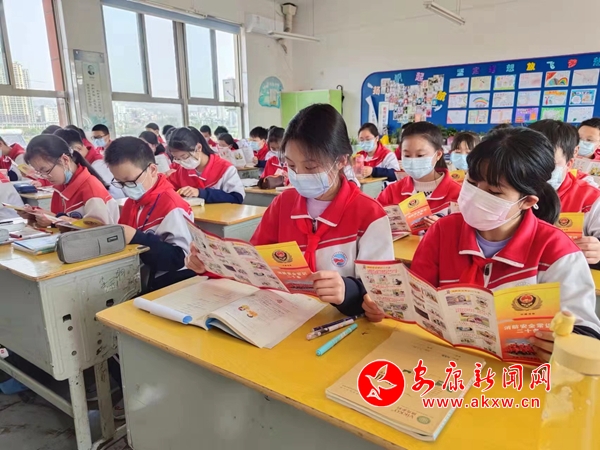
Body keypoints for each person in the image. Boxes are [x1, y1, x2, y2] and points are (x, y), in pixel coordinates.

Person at [364, 128, 600, 358]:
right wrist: (388, 306)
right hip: (443, 360)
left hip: (516, 375)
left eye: (494, 192)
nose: (476, 195)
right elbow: (418, 297)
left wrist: (564, 346)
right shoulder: (442, 232)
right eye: (472, 182)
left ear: (527, 201)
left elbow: (586, 333)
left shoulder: (557, 251)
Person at [185, 104, 394, 315]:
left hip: (341, 324)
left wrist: (348, 291)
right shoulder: (283, 204)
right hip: (283, 316)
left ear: (340, 161)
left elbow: (382, 294)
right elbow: (254, 264)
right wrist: (211, 265)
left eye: (310, 167)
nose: (299, 175)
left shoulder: (370, 214)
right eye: (292, 166)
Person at [104, 136, 195, 290]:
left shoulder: (172, 205)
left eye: (130, 181)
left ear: (152, 170)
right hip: (140, 276)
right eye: (119, 182)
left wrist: (136, 237)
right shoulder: (132, 202)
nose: (125, 188)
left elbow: (179, 259)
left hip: (172, 283)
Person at [529, 120, 600, 264]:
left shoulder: (591, 199)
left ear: (570, 161)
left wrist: (596, 251)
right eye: (530, 162)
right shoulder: (505, 190)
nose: (537, 170)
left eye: (549, 163)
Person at [22, 134, 119, 226]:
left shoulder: (90, 189)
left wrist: (55, 221)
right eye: (39, 173)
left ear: (65, 160)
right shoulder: (60, 187)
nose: (45, 177)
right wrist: (36, 215)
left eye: (46, 170)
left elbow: (100, 231)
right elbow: (59, 218)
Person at [377, 122, 460, 227]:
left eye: (420, 155)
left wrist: (443, 228)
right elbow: (373, 223)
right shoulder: (391, 192)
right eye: (407, 155)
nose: (413, 160)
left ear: (438, 154)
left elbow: (466, 232)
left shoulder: (457, 194)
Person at [168, 127, 245, 204]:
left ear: (198, 147)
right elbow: (168, 190)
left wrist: (201, 193)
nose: (182, 162)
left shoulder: (225, 168)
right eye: (177, 158)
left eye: (184, 157)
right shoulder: (181, 170)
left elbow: (237, 198)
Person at [53, 128, 124, 200]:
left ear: (78, 148)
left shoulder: (98, 165)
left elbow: (114, 195)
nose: (65, 161)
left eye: (65, 157)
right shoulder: (81, 165)